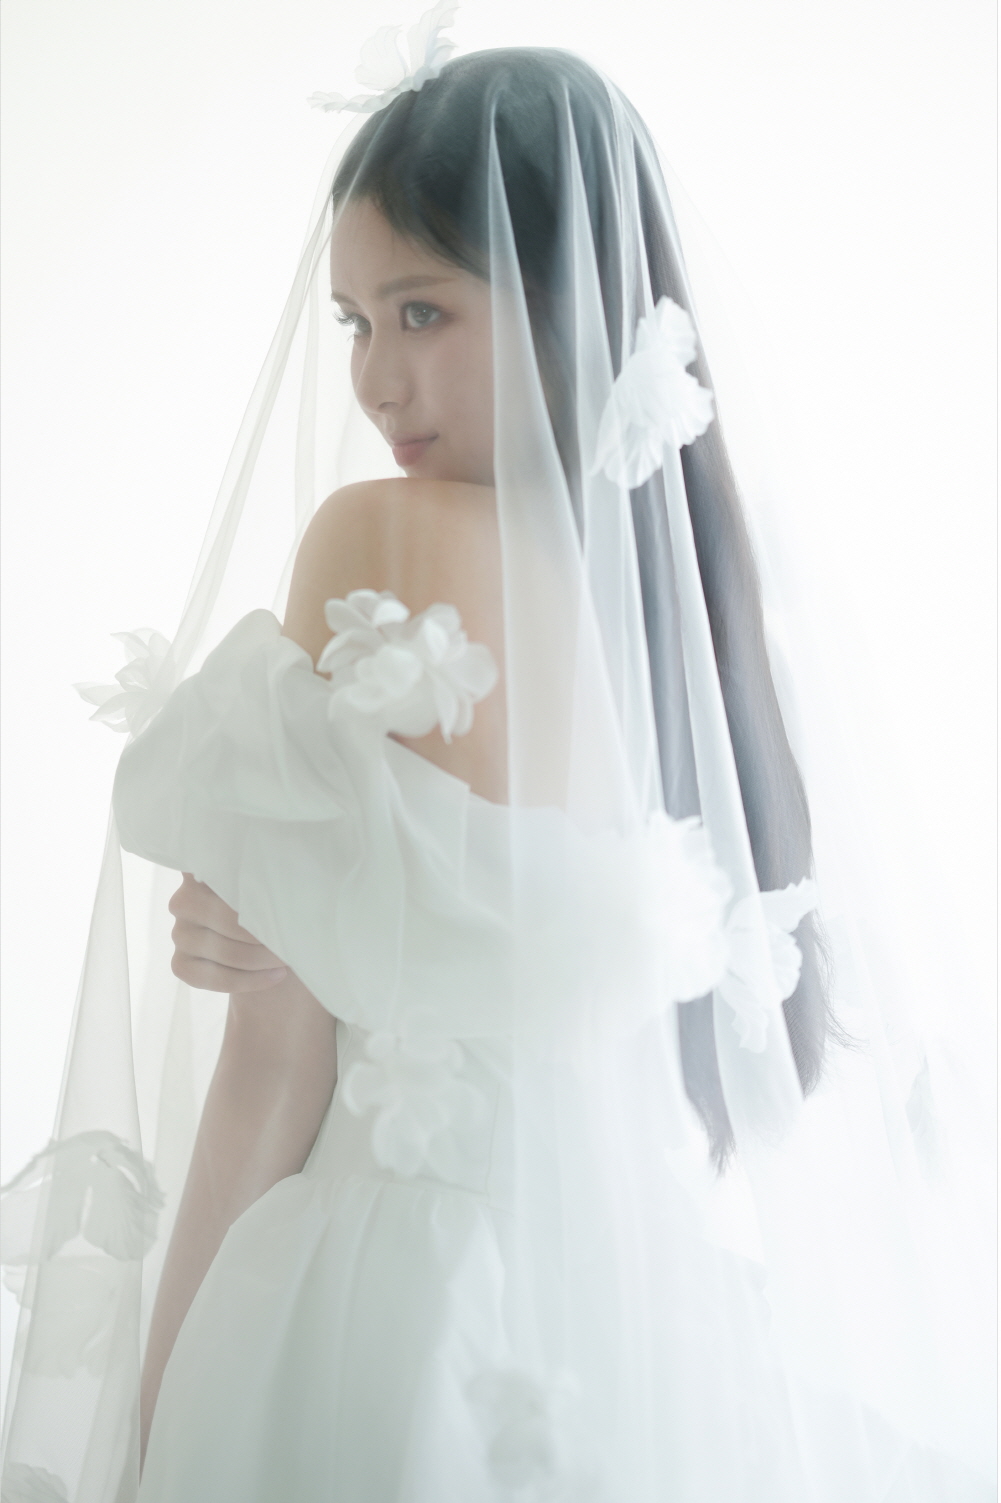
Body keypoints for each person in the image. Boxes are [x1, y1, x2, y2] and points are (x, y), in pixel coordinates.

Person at [1, 24, 994, 1503]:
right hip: (635, 1318)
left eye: (422, 312)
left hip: (386, 1299)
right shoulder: (693, 627)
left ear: (565, 300)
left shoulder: (380, 542)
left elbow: (274, 1064)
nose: (374, 380)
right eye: (354, 323)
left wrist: (146, 1436)